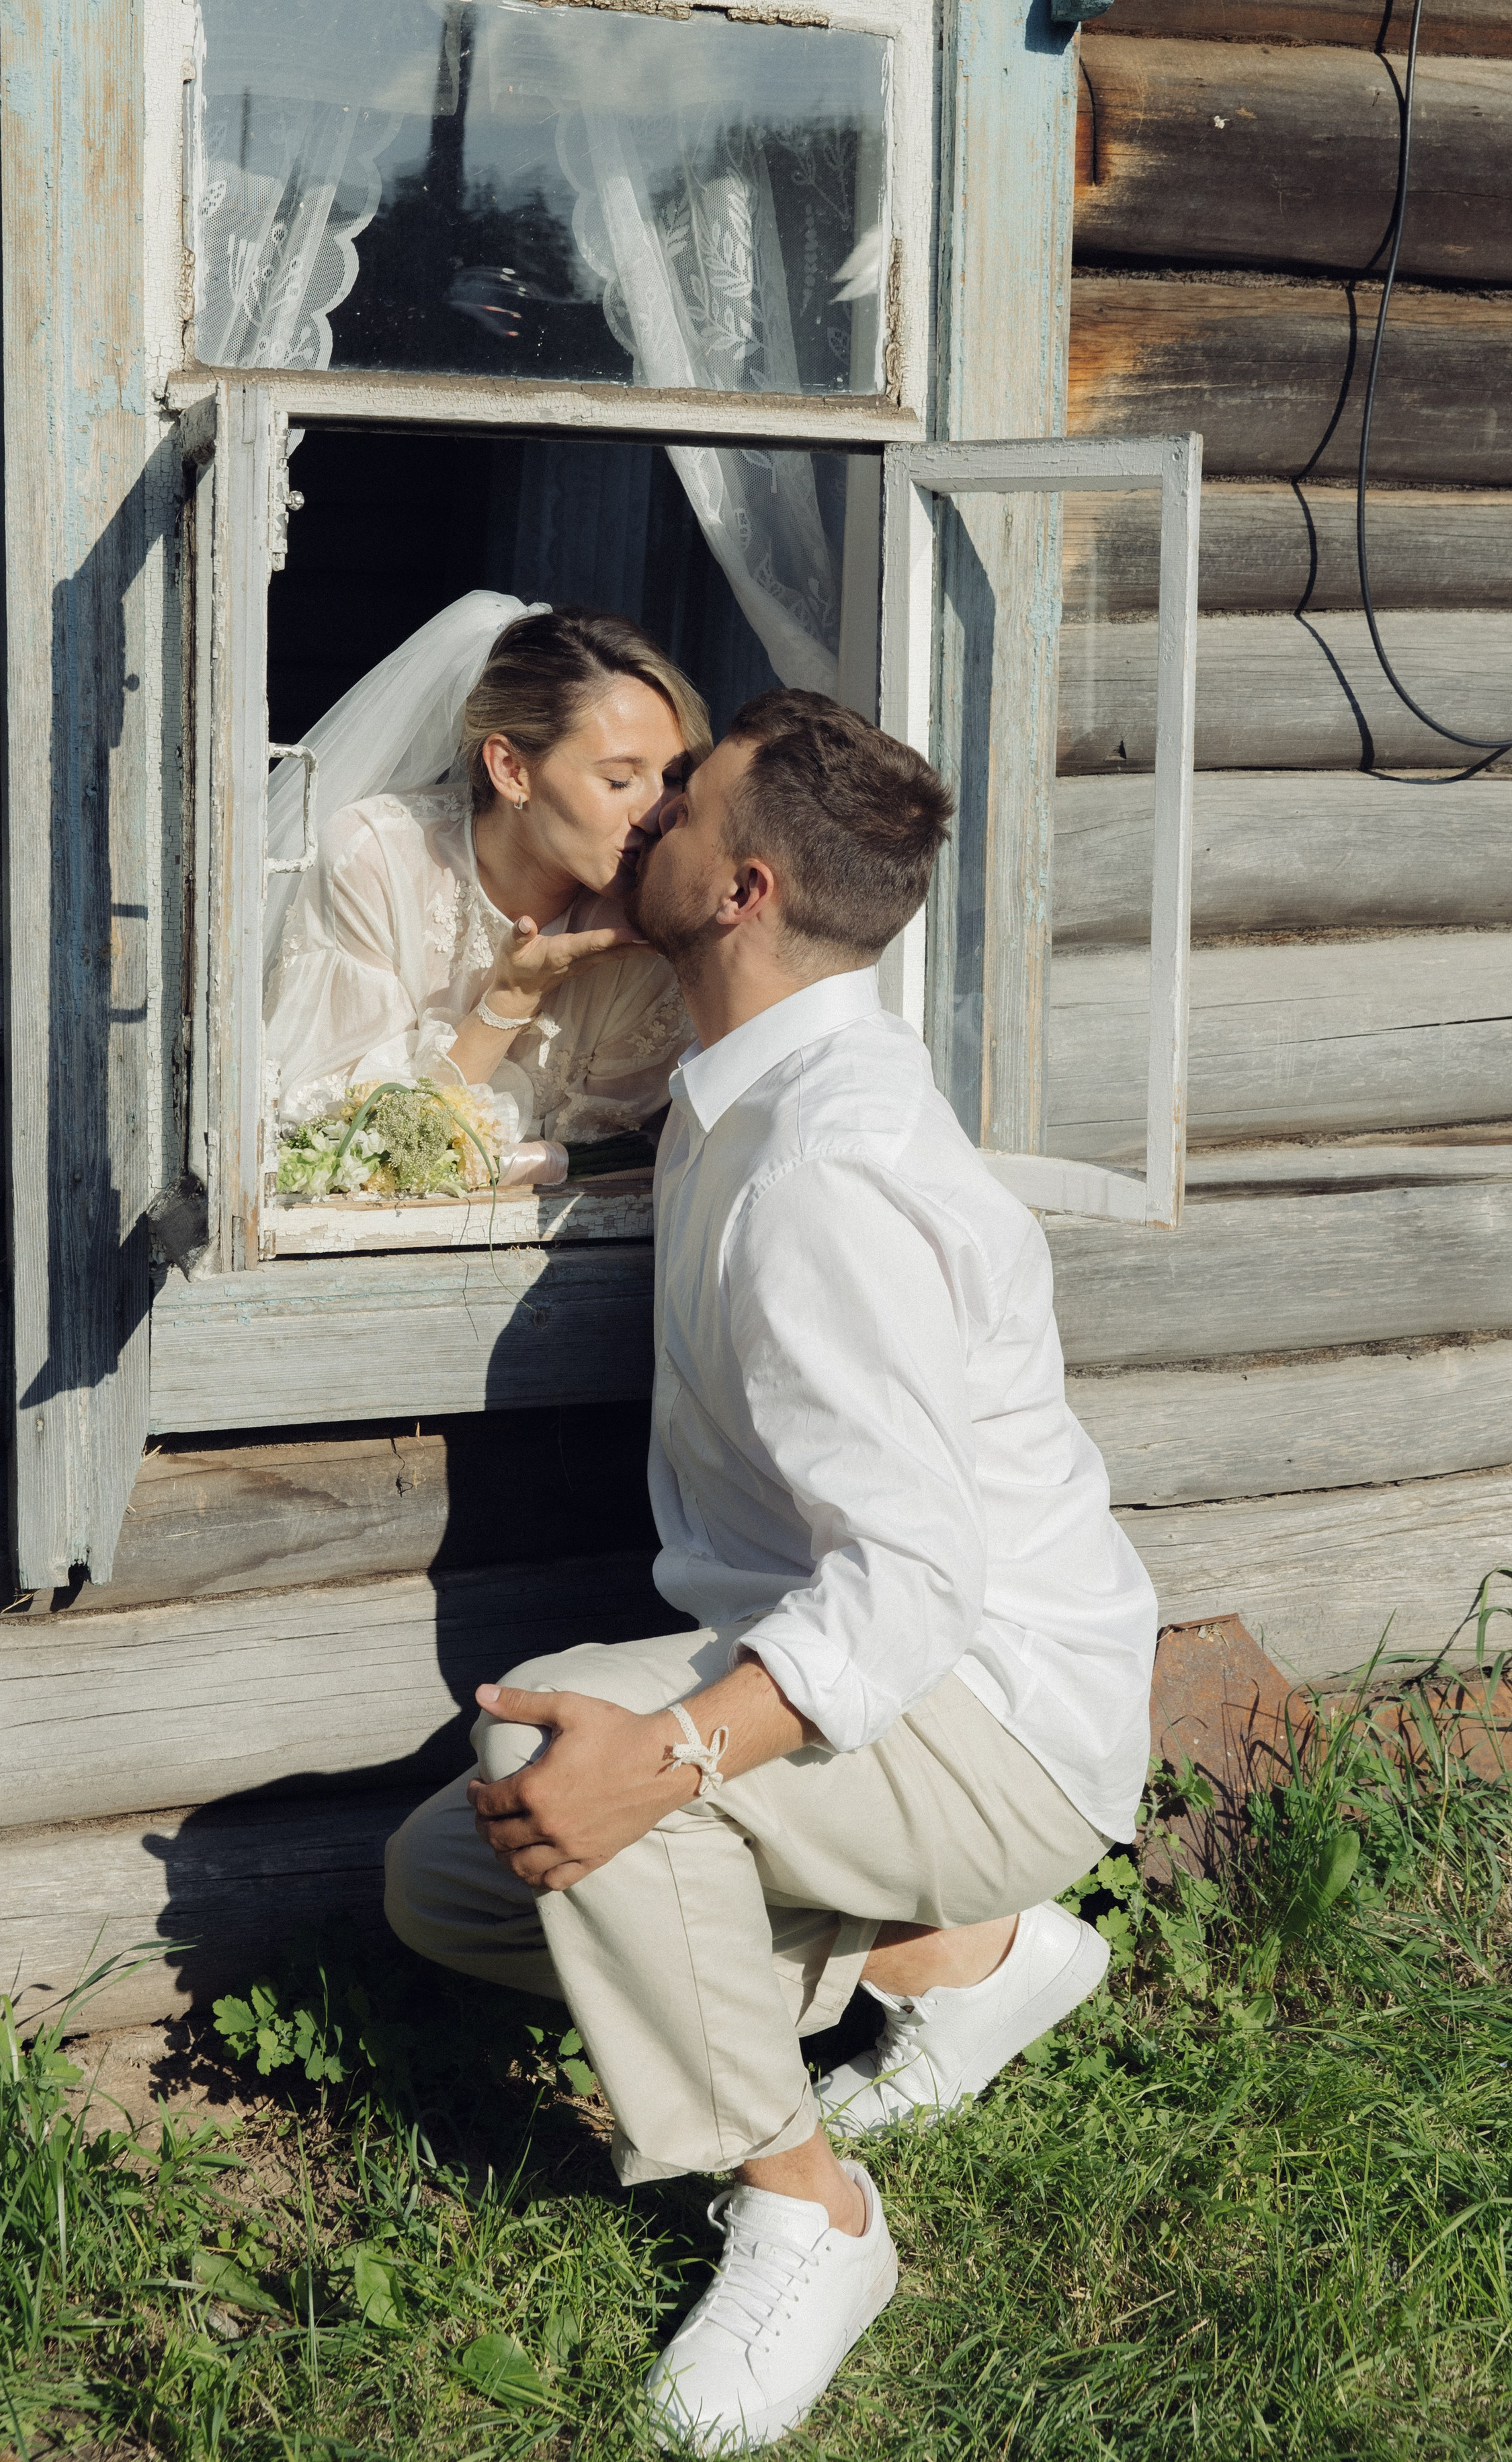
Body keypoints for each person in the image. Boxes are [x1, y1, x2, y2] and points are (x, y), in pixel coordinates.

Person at [384, 690, 1158, 2453]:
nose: (639, 816)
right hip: (886, 1689)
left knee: (559, 1768)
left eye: (676, 808)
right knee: (454, 1878)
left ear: (740, 892)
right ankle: (953, 1957)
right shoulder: (743, 1087)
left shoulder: (829, 1168)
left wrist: (657, 1762)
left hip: (989, 1714)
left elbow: (907, 1588)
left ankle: (809, 2209)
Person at [263, 598, 709, 1143]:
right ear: (512, 770)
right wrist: (510, 1001)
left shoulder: (649, 909)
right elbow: (346, 1141)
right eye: (619, 780)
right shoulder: (375, 860)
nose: (655, 812)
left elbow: (605, 1164)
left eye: (674, 777)